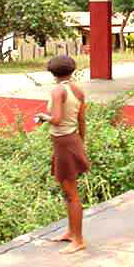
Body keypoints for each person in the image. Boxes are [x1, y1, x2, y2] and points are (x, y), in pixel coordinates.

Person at [34, 55, 90, 254]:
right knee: (68, 192)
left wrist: (43, 117)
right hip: (72, 140)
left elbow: (56, 119)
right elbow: (82, 120)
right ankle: (71, 232)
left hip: (64, 142)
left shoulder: (58, 90)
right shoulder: (77, 90)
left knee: (71, 194)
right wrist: (81, 143)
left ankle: (79, 240)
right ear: (71, 70)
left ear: (52, 72)